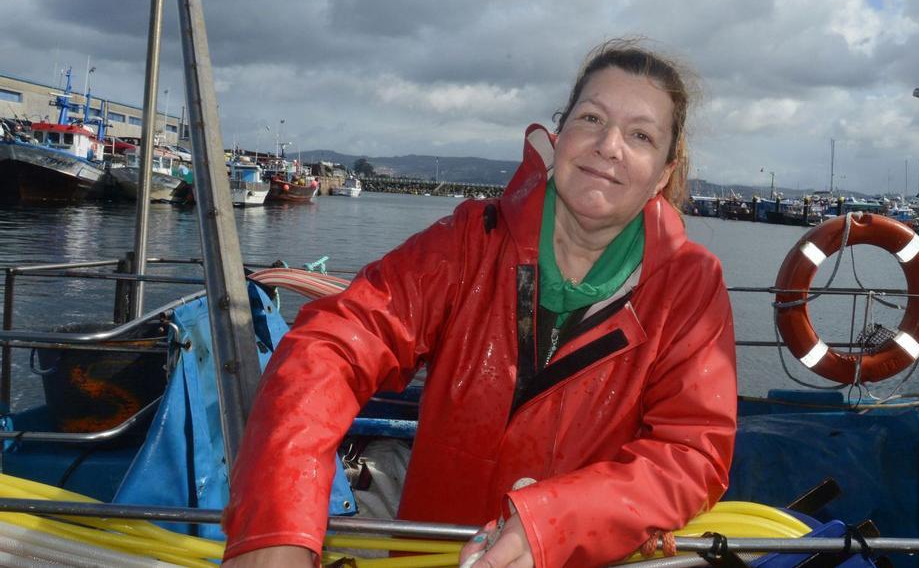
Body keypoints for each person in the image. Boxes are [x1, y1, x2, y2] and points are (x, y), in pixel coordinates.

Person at [221, 39, 738, 567]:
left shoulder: (690, 286)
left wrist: (555, 523)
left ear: (664, 173)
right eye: (591, 118)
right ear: (558, 138)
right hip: (431, 555)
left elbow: (691, 453)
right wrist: (275, 525)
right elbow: (331, 348)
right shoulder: (471, 241)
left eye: (641, 135)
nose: (609, 145)